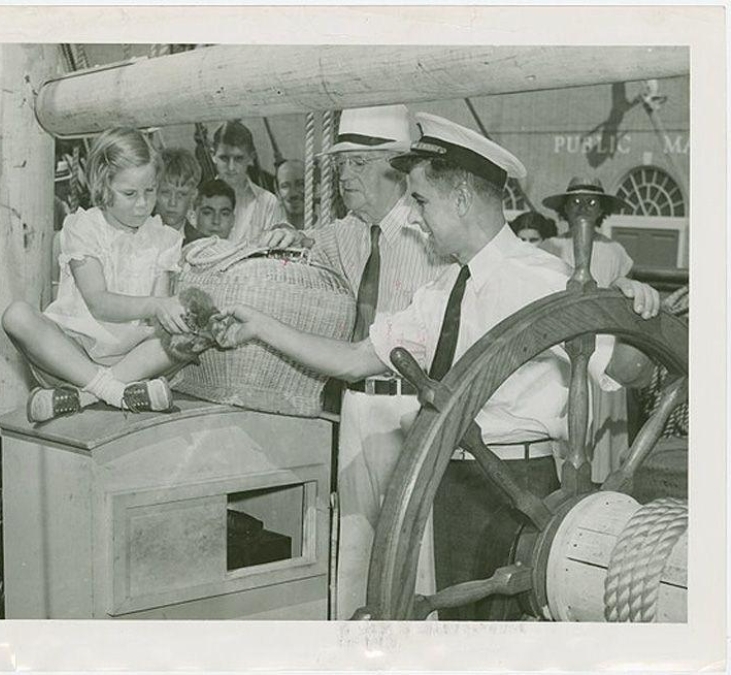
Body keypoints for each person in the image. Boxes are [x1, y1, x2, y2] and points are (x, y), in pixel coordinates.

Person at [214, 112, 659, 621]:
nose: (417, 216)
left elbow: (634, 370)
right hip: (451, 484)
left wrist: (632, 310)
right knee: (456, 629)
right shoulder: (444, 290)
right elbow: (358, 360)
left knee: (503, 638)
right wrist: (260, 326)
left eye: (422, 201)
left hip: (520, 487)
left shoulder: (539, 279)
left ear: (463, 199)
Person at [261, 104, 451, 619]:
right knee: (354, 549)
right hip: (355, 407)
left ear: (397, 168)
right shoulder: (344, 233)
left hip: (416, 409)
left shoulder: (434, 234)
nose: (345, 175)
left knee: (415, 550)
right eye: (342, 163)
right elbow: (303, 243)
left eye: (360, 164)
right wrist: (285, 234)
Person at [2, 127, 191, 423]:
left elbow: (159, 315)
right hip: (70, 356)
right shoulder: (84, 227)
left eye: (150, 191)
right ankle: (115, 392)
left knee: (186, 338)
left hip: (130, 360)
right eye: (129, 194)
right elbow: (98, 303)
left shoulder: (163, 238)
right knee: (16, 315)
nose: (142, 204)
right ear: (103, 186)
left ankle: (85, 397)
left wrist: (169, 315)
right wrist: (156, 305)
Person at [541, 176, 635, 481]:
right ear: (565, 208)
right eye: (576, 202)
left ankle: (601, 481)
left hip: (604, 342)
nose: (583, 208)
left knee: (604, 408)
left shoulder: (616, 252)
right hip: (563, 341)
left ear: (602, 210)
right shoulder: (550, 247)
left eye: (592, 203)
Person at [211, 120, 286, 242]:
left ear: (251, 156)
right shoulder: (197, 200)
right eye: (224, 158)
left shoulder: (268, 202)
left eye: (238, 158)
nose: (231, 167)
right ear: (212, 155)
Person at [155, 147, 201, 243]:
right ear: (153, 192)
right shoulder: (132, 238)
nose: (172, 203)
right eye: (166, 193)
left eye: (181, 195)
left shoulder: (201, 244)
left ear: (193, 195)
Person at [274, 159, 306, 229]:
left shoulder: (327, 227)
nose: (293, 194)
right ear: (277, 191)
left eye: (300, 184)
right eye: (285, 186)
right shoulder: (272, 230)